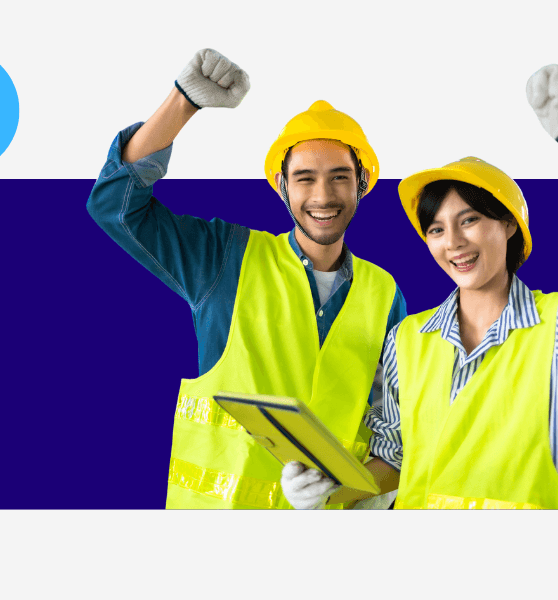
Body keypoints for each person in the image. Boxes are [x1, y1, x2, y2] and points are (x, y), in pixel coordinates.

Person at [280, 64, 558, 509]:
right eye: (436, 230)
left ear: (508, 226)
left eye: (470, 220)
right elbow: (395, 459)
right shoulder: (409, 340)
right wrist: (326, 491)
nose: (454, 243)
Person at [86, 48, 406, 509]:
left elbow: (393, 430)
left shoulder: (385, 292)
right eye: (304, 178)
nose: (323, 195)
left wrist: (349, 494)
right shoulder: (224, 257)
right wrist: (182, 102)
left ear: (361, 184)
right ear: (281, 185)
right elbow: (115, 206)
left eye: (339, 177)